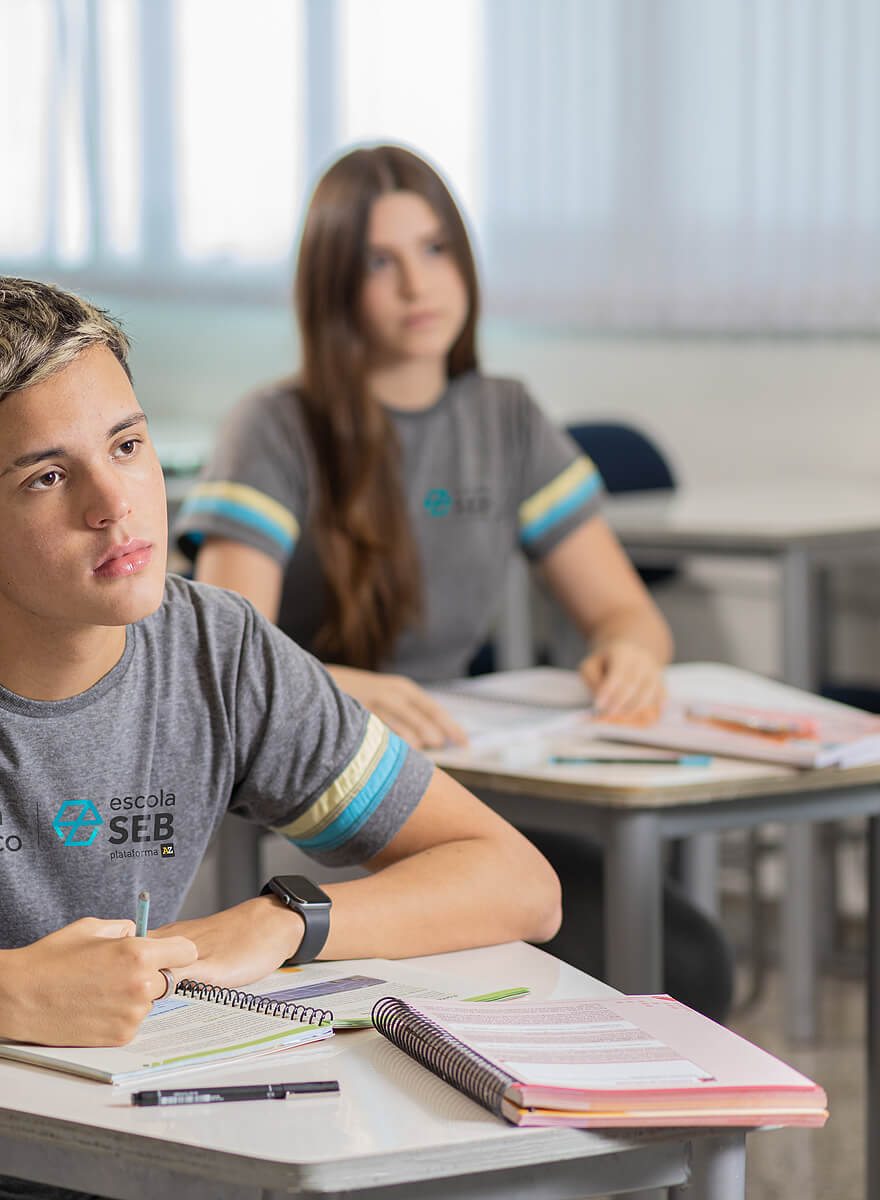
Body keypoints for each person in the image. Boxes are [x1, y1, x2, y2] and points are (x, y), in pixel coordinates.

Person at [0, 274, 562, 1200]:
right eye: (46, 476)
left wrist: (278, 923)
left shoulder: (217, 650)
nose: (114, 505)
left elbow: (516, 879)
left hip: (118, 1148)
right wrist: (7, 992)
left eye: (127, 445)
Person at [177, 143, 731, 1017]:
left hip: (461, 788)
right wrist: (342, 693)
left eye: (435, 250)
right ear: (333, 287)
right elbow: (233, 644)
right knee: (616, 955)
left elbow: (626, 608)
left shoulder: (506, 417)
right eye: (379, 262)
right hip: (319, 804)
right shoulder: (274, 426)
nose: (416, 285)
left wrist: (630, 651)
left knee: (682, 956)